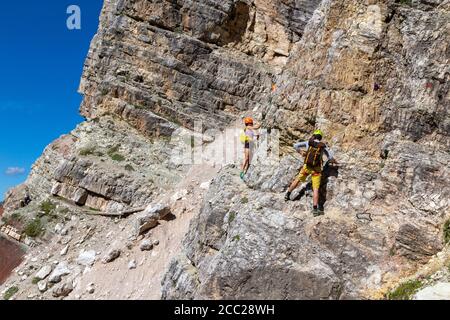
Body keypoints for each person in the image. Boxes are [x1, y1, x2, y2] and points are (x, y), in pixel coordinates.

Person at [284, 129, 338, 216]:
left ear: (314, 136)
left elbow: (295, 145)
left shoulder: (309, 142)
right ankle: (315, 210)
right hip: (316, 170)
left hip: (306, 167)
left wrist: (301, 152)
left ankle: (287, 194)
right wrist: (335, 162)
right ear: (320, 138)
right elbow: (330, 157)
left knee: (298, 180)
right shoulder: (322, 146)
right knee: (316, 189)